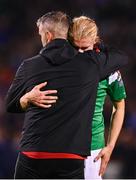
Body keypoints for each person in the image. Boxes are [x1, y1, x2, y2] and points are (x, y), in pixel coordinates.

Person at [6, 12, 127, 179]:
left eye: (85, 48)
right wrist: (27, 98)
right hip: (66, 149)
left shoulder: (104, 68)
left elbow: (119, 106)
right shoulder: (65, 64)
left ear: (95, 41)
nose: (80, 53)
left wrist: (110, 145)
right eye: (75, 47)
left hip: (92, 148)